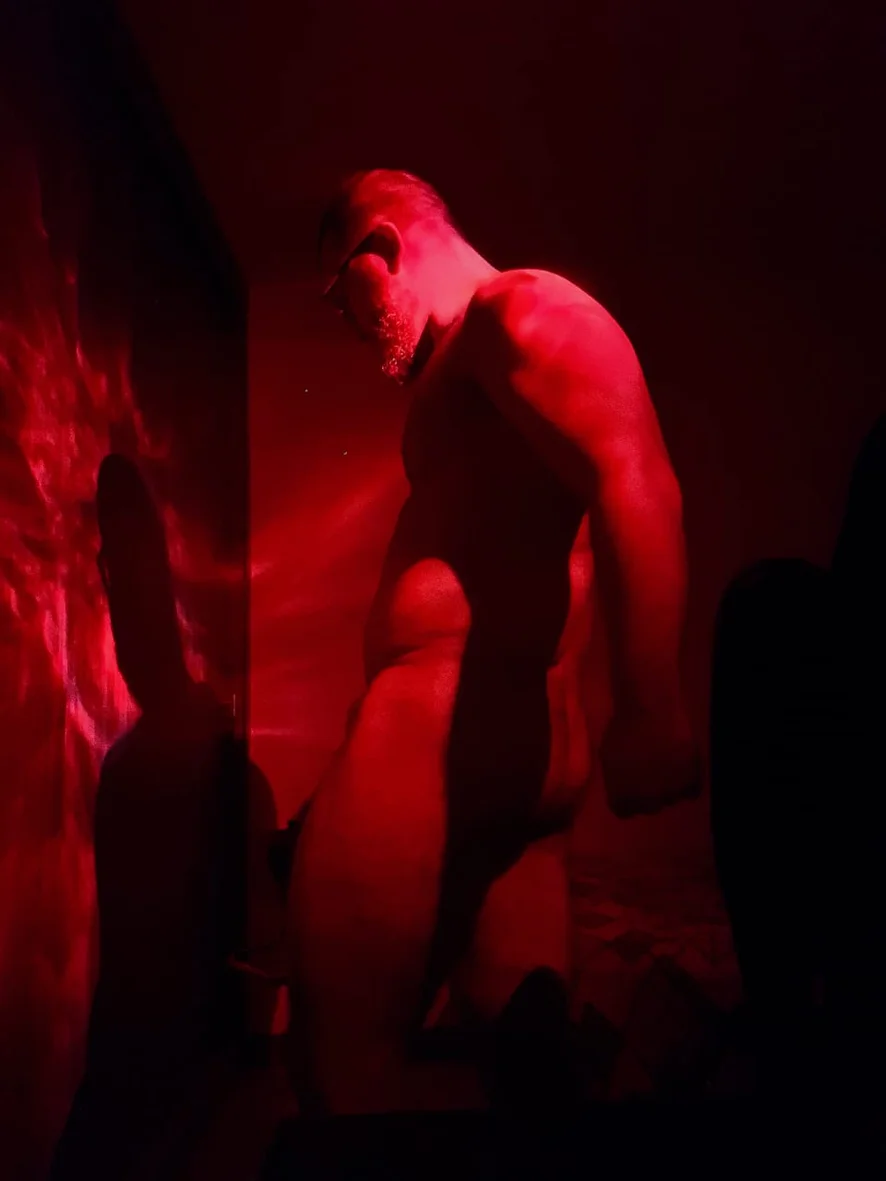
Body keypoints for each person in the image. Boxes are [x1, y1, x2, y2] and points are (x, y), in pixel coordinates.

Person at [286, 170, 700, 1114]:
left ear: (381, 248)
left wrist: (653, 706)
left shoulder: (516, 310)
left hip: (428, 760)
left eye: (340, 294)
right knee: (526, 1088)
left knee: (336, 1073)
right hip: (508, 778)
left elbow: (633, 472)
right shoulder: (463, 365)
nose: (348, 325)